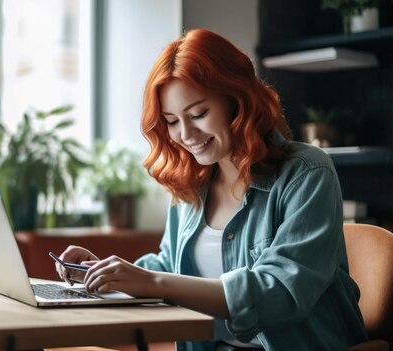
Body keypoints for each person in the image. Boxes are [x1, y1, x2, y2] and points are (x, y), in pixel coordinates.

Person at [55, 29, 368, 351]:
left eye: (198, 114)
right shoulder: (191, 184)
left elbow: (281, 293)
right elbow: (170, 269)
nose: (186, 134)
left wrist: (150, 281)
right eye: (172, 121)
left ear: (237, 101)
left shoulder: (307, 172)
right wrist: (106, 274)